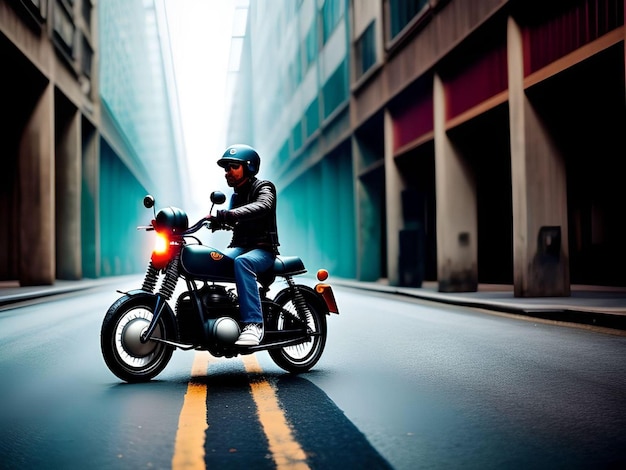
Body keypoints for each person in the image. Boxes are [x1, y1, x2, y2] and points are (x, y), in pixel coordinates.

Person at [209, 144, 280, 346]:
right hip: (241, 247)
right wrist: (217, 221)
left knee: (243, 263)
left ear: (249, 167)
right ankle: (222, 309)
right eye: (226, 168)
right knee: (212, 260)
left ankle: (253, 324)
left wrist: (230, 214)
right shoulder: (236, 196)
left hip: (263, 250)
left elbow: (262, 206)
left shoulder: (264, 187)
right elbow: (234, 221)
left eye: (233, 166)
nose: (227, 172)